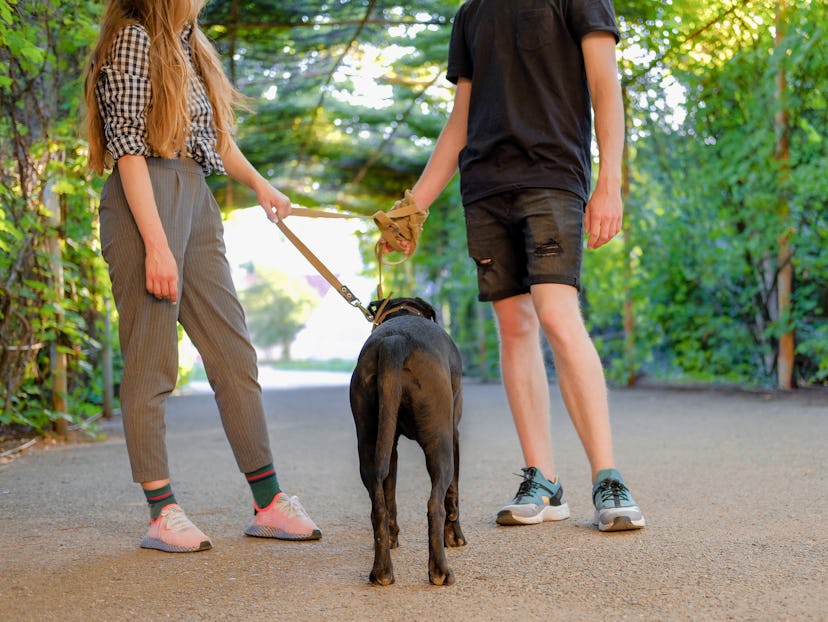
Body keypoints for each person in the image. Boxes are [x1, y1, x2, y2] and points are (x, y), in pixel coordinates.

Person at [392, 0, 645, 531]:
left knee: (556, 314)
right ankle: (544, 481)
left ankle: (608, 477)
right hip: (484, 185)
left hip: (553, 176)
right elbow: (461, 119)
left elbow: (604, 87)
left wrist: (610, 183)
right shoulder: (470, 14)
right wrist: (416, 203)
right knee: (515, 326)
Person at [83, 0, 321, 552]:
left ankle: (268, 502)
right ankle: (161, 512)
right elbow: (127, 150)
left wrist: (264, 187)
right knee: (152, 359)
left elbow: (214, 137)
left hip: (194, 196)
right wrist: (156, 245)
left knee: (234, 354)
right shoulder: (133, 39)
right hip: (145, 203)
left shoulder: (190, 44)